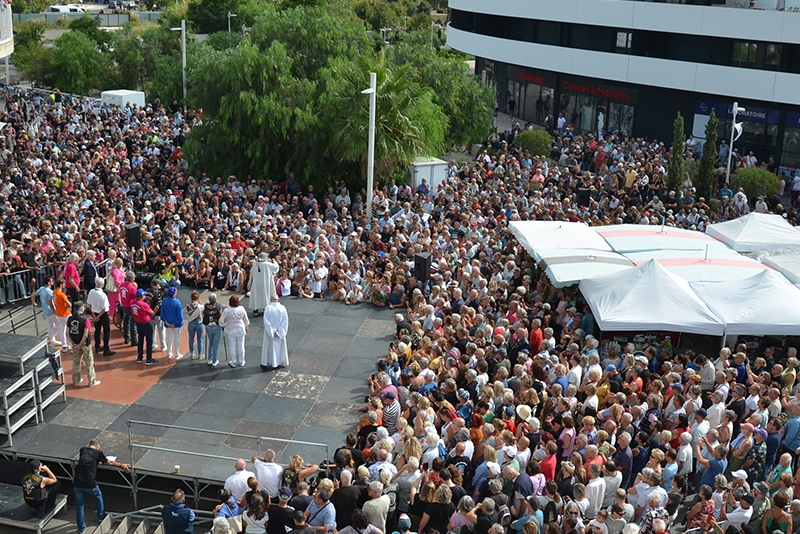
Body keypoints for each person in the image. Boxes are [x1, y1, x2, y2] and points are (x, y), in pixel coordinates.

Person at [74, 439, 130, 534]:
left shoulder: (82, 450)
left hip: (77, 482)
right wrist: (121, 465)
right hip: (89, 483)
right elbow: (109, 462)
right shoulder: (98, 453)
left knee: (79, 506)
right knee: (98, 496)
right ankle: (101, 516)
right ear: (97, 447)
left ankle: (81, 528)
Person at [68, 301, 100, 388]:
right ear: (82, 308)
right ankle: (91, 381)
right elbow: (85, 334)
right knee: (89, 362)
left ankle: (76, 380)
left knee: (76, 363)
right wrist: (80, 344)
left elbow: (67, 333)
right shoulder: (85, 319)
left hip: (75, 344)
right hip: (85, 344)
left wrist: (74, 343)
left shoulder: (70, 319)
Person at [87, 276, 115, 356]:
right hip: (102, 314)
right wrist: (98, 317)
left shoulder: (91, 291)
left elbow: (89, 304)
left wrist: (94, 315)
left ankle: (97, 346)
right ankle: (106, 348)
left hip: (95, 313)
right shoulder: (103, 295)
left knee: (97, 330)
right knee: (106, 331)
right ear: (103, 285)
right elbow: (104, 308)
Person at [220, 294, 249, 368]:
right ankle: (242, 361)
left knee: (232, 346)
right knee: (241, 345)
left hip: (230, 330)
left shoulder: (227, 310)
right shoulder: (241, 308)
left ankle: (233, 362)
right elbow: (245, 319)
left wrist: (223, 326)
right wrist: (246, 326)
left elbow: (221, 321)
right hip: (240, 329)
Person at [261, 293, 289, 370]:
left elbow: (266, 321)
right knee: (279, 347)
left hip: (270, 332)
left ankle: (266, 362)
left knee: (268, 347)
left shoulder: (268, 308)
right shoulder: (282, 308)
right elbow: (285, 320)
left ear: (271, 299)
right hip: (279, 331)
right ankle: (278, 362)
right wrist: (279, 331)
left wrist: (272, 331)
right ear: (278, 299)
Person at [131, 289, 159, 365]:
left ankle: (139, 357)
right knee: (149, 341)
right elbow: (152, 313)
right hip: (146, 323)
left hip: (138, 323)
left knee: (140, 340)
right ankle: (149, 359)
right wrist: (155, 310)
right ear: (142, 296)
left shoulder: (132, 302)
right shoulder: (144, 304)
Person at [32, 276, 59, 348]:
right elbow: (51, 303)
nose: (53, 282)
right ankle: (51, 336)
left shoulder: (42, 289)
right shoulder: (50, 292)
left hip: (45, 311)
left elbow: (33, 295)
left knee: (50, 325)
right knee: (59, 324)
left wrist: (33, 302)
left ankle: (52, 339)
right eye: (51, 281)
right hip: (50, 311)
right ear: (49, 282)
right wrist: (55, 311)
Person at [161, 285, 185, 360]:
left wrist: (166, 321)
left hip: (168, 322)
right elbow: (179, 314)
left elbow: (162, 312)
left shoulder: (164, 301)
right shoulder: (177, 302)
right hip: (176, 324)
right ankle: (177, 353)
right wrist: (175, 322)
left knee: (169, 337)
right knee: (176, 338)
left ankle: (169, 353)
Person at [203, 293, 223, 366]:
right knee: (215, 344)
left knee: (211, 342)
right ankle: (214, 361)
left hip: (208, 326)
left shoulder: (206, 306)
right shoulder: (218, 306)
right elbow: (221, 316)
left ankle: (209, 359)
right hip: (216, 326)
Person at [52, 277, 71, 352]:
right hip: (65, 314)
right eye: (64, 283)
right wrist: (66, 307)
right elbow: (69, 304)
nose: (65, 285)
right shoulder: (62, 295)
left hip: (58, 313)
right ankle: (73, 346)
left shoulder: (54, 292)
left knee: (62, 330)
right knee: (70, 330)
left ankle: (64, 346)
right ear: (60, 285)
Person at [184, 291, 205, 360]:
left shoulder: (188, 305)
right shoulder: (200, 306)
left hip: (191, 323)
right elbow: (203, 309)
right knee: (200, 339)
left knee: (191, 339)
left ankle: (192, 353)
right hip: (199, 323)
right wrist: (200, 301)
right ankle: (200, 354)